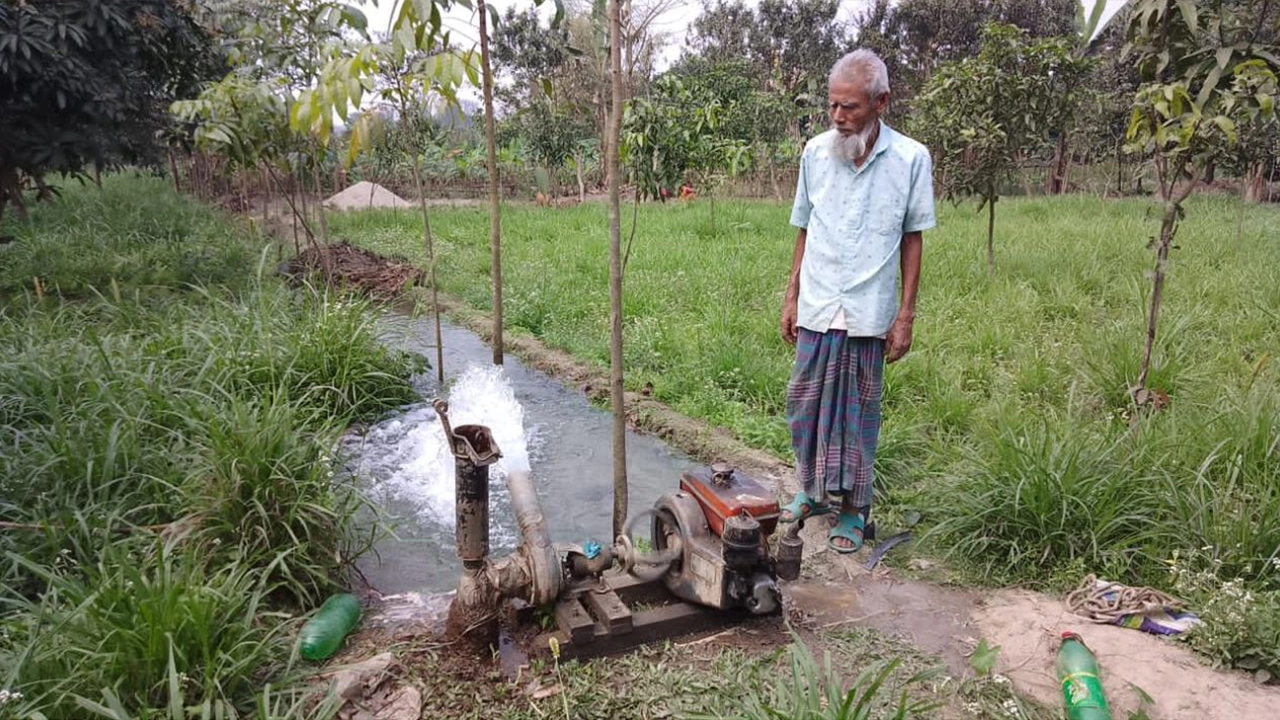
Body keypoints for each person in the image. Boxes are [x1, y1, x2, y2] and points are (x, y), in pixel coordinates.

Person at [779, 49, 936, 553]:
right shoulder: (815, 153)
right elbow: (804, 226)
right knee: (803, 406)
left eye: (850, 107)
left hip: (869, 310)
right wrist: (791, 295)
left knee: (858, 415)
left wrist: (906, 314)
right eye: (832, 107)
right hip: (819, 304)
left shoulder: (910, 159)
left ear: (881, 102)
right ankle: (810, 492)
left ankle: (854, 511)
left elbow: (913, 237)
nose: (838, 118)